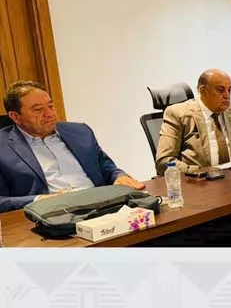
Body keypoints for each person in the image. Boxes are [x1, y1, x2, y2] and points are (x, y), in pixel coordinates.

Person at [0, 81, 144, 213]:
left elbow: (106, 167)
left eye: (51, 106)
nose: (49, 114)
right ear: (15, 117)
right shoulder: (3, 147)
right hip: (52, 214)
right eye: (38, 110)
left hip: (102, 205)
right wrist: (39, 200)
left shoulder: (80, 132)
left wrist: (119, 176)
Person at [155, 69, 231, 175]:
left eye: (229, 90)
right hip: (197, 181)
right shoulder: (178, 114)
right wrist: (199, 172)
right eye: (220, 90)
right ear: (203, 91)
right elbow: (164, 161)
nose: (227, 95)